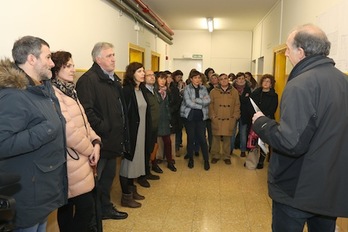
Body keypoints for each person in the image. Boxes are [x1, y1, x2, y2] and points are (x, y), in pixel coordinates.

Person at [252, 24, 348, 232]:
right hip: (329, 187)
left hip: (297, 188)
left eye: (288, 48)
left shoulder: (300, 84)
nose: (285, 53)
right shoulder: (343, 80)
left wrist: (262, 123)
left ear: (301, 52)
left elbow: (290, 142)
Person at [0, 36, 68, 231]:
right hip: (27, 193)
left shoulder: (42, 89)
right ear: (31, 59)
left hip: (42, 189)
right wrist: (44, 130)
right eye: (48, 57)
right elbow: (3, 143)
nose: (52, 63)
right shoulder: (12, 95)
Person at [76, 42, 128, 220]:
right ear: (98, 59)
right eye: (109, 56)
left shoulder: (112, 79)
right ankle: (93, 217)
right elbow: (86, 111)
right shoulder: (88, 80)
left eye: (114, 55)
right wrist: (104, 128)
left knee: (107, 181)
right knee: (95, 183)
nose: (114, 59)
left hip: (112, 141)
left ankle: (105, 209)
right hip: (100, 143)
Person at [51, 51, 102, 232]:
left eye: (73, 65)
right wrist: (90, 150)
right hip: (71, 161)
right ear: (56, 70)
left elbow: (84, 122)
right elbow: (68, 131)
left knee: (72, 207)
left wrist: (96, 141)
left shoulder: (70, 90)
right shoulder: (55, 94)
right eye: (68, 66)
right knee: (82, 208)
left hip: (81, 159)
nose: (73, 69)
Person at [120, 62, 152, 207]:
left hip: (142, 132)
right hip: (132, 133)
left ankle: (132, 190)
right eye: (139, 71)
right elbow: (124, 115)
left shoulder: (142, 90)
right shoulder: (127, 91)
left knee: (137, 162)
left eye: (143, 71)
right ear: (132, 73)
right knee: (128, 164)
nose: (143, 74)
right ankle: (126, 197)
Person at [180, 69, 211, 170]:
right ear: (191, 79)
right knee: (191, 138)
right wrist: (201, 105)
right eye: (195, 78)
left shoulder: (203, 88)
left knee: (202, 139)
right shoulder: (187, 89)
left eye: (199, 77)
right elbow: (188, 103)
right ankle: (190, 159)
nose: (197, 80)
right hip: (190, 117)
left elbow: (208, 100)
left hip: (201, 117)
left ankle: (206, 160)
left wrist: (197, 100)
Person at [209, 73, 240, 165]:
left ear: (228, 80)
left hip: (229, 118)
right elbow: (210, 105)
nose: (223, 80)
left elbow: (237, 105)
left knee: (227, 138)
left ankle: (227, 156)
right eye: (221, 79)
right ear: (219, 81)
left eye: (225, 78)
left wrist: (235, 116)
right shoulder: (213, 91)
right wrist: (212, 116)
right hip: (217, 118)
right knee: (216, 138)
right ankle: (215, 155)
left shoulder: (234, 91)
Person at [250, 74, 278, 169]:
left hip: (267, 120)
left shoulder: (274, 95)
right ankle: (252, 159)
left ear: (271, 84)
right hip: (255, 119)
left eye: (268, 81)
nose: (265, 83)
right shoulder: (255, 93)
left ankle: (261, 161)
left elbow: (272, 109)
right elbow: (251, 107)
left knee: (263, 141)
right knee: (253, 140)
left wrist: (261, 117)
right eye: (264, 81)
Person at [154, 72, 177, 172]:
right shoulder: (153, 91)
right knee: (154, 143)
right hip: (156, 119)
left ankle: (170, 162)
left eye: (164, 79)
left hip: (165, 119)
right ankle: (153, 163)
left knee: (168, 141)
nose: (163, 81)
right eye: (160, 78)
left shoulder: (168, 91)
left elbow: (171, 104)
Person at [231, 72, 253, 157]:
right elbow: (233, 100)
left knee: (243, 133)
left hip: (244, 114)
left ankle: (243, 150)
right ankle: (231, 149)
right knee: (232, 132)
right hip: (234, 112)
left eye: (242, 78)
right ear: (236, 79)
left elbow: (247, 101)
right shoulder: (232, 88)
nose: (241, 80)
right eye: (239, 78)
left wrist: (241, 98)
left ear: (245, 79)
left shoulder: (248, 88)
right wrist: (243, 98)